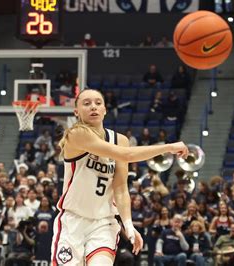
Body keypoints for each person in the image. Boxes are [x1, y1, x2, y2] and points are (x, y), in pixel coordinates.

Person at [51, 89, 188, 265]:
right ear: (76, 111)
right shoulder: (76, 135)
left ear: (105, 109)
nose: (93, 107)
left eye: (98, 103)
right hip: (73, 221)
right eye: (86, 103)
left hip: (103, 223)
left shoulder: (120, 140)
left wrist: (128, 226)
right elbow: (127, 155)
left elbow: (121, 188)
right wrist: (167, 147)